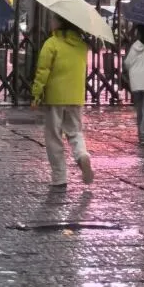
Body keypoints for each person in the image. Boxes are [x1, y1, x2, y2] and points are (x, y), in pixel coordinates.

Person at [31, 22, 94, 189]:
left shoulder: (51, 43)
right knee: (75, 132)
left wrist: (36, 94)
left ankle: (59, 177)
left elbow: (43, 70)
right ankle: (82, 155)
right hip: (76, 96)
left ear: (60, 23)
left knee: (54, 137)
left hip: (55, 97)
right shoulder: (81, 45)